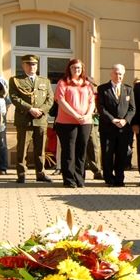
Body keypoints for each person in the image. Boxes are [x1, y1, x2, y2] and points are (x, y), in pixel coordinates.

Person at [9, 54, 54, 184]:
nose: (31, 67)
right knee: (22, 148)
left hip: (40, 119)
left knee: (40, 149)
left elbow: (50, 99)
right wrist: (30, 109)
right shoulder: (16, 80)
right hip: (24, 119)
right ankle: (21, 174)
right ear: (23, 66)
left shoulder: (45, 81)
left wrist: (41, 110)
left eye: (34, 64)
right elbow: (14, 98)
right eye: (28, 64)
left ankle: (41, 173)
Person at [54, 58, 95, 188]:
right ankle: (69, 179)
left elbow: (92, 102)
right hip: (66, 123)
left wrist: (87, 115)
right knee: (69, 152)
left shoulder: (87, 84)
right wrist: (75, 115)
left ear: (82, 69)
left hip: (85, 122)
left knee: (81, 151)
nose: (76, 70)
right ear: (69, 69)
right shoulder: (63, 83)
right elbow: (61, 101)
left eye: (79, 68)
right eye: (74, 67)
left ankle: (80, 178)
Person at [97, 64, 135, 187]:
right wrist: (113, 120)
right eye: (116, 73)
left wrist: (125, 120)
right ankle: (108, 178)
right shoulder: (102, 88)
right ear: (111, 73)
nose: (118, 76)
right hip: (108, 127)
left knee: (121, 154)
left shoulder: (128, 89)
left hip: (123, 128)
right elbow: (101, 107)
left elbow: (132, 108)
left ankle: (119, 178)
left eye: (121, 74)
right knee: (108, 154)